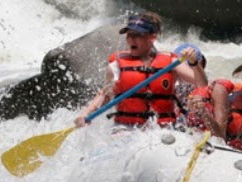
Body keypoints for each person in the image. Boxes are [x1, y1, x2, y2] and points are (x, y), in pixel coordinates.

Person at [74, 13, 207, 130]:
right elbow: (105, 94)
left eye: (138, 35)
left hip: (162, 129)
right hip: (126, 128)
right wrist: (86, 113)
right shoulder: (116, 65)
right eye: (129, 35)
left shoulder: (171, 62)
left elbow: (201, 83)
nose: (131, 39)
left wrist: (194, 63)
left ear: (152, 38)